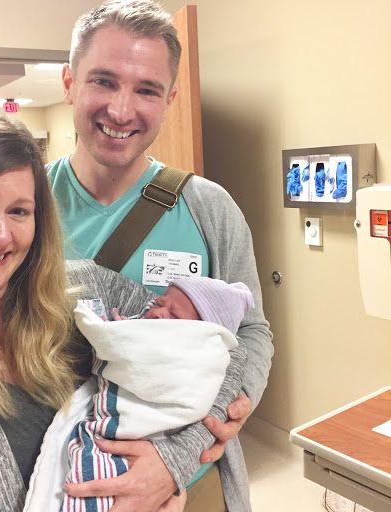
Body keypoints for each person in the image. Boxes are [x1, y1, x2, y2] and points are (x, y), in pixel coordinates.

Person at [0, 109, 219, 512]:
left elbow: (210, 351)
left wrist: (170, 465)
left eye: (19, 211)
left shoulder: (87, 292)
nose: (0, 235)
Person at [48, 1, 274, 511]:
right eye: (103, 81)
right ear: (68, 83)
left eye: (146, 89)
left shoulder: (208, 207)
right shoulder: (24, 206)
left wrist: (181, 455)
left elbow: (252, 331)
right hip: (64, 480)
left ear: (170, 98)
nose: (122, 111)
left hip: (192, 485)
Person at [59, 278, 253, 512]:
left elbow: (243, 339)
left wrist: (177, 457)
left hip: (192, 458)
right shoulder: (144, 312)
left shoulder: (199, 353)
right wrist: (123, 329)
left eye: (175, 316)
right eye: (159, 303)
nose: (159, 313)